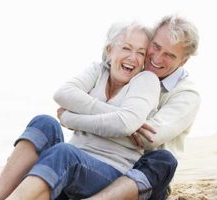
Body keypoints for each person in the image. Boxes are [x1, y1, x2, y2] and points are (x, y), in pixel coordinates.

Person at [0, 21, 161, 200]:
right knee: (43, 123)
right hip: (73, 162)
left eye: (141, 53)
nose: (133, 57)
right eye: (126, 48)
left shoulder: (146, 80)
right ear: (109, 50)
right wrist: (115, 114)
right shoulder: (99, 70)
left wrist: (70, 119)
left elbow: (124, 124)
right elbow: (63, 94)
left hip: (110, 172)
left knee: (64, 153)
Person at [84, 15, 200, 200]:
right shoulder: (132, 68)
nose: (157, 58)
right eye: (156, 46)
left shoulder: (186, 95)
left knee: (164, 160)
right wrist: (121, 120)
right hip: (104, 159)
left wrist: (81, 117)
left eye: (170, 55)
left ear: (183, 61)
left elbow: (148, 138)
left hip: (142, 175)